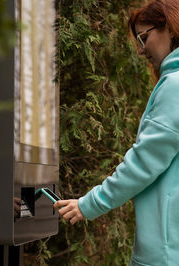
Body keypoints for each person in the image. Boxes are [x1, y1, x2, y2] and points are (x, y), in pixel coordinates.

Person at [53, 0, 179, 265]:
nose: (142, 51)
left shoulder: (175, 86)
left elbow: (144, 162)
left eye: (144, 38)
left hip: (166, 253)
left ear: (169, 27)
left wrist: (89, 204)